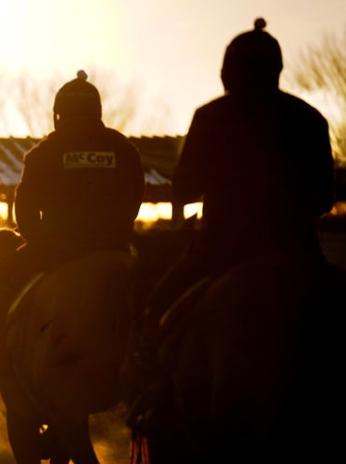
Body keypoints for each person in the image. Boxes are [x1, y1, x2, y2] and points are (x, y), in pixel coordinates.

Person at [142, 18, 334, 331]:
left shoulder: (210, 116)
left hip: (222, 250)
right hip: (299, 251)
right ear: (277, 68)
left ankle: (146, 369)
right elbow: (324, 197)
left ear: (228, 70)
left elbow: (185, 187)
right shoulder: (311, 118)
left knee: (155, 311)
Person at [0, 71, 144, 382]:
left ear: (58, 114)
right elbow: (135, 197)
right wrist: (116, 232)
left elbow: (24, 208)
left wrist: (40, 242)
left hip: (57, 251)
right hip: (116, 247)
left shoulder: (45, 152)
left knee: (1, 280)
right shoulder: (124, 149)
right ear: (98, 111)